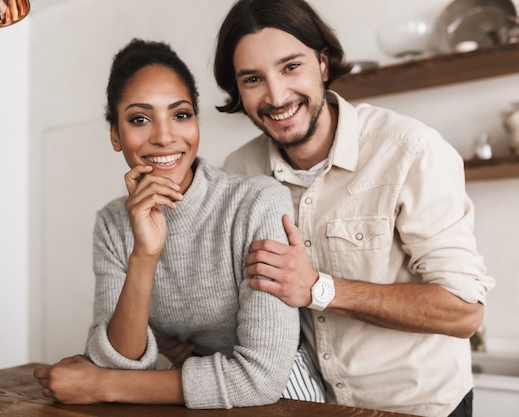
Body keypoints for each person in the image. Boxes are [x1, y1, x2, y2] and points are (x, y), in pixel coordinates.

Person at [211, 0, 495, 416]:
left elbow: (463, 313)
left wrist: (318, 288)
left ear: (323, 64)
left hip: (422, 408)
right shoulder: (239, 171)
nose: (276, 96)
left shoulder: (411, 152)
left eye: (291, 67)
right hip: (315, 407)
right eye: (253, 79)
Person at [33, 38, 323, 409]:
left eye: (180, 114)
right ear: (115, 135)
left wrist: (102, 385)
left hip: (284, 400)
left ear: (196, 123)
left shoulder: (256, 201)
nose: (165, 136)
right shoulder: (112, 223)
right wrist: (145, 252)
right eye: (140, 119)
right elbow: (117, 364)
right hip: (190, 398)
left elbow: (260, 379)